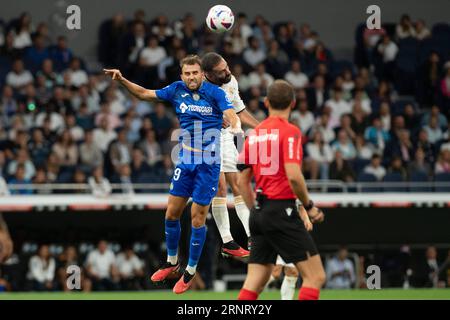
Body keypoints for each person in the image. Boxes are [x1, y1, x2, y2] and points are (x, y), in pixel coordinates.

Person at [104, 55, 241, 294]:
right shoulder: (176, 89)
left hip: (208, 163)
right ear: (182, 75)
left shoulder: (216, 93)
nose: (191, 77)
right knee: (171, 214)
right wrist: (122, 80)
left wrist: (235, 125)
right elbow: (145, 94)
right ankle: (171, 262)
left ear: (202, 74)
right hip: (186, 159)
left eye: (195, 73)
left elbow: (231, 114)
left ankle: (190, 271)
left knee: (197, 218)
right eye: (187, 73)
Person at [237, 80, 326, 300]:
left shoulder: (254, 134)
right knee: (315, 277)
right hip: (282, 210)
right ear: (293, 103)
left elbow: (241, 182)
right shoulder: (291, 131)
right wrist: (309, 207)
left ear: (266, 102)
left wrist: (256, 210)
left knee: (254, 282)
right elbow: (294, 176)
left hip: (258, 213)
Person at [201, 52, 260, 259]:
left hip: (227, 136)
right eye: (221, 71)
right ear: (208, 74)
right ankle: (227, 241)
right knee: (220, 187)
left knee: (238, 184)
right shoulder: (198, 86)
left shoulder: (231, 81)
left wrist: (262, 127)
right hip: (204, 136)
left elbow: (240, 111)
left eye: (226, 67)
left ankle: (253, 238)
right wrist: (216, 119)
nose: (228, 72)